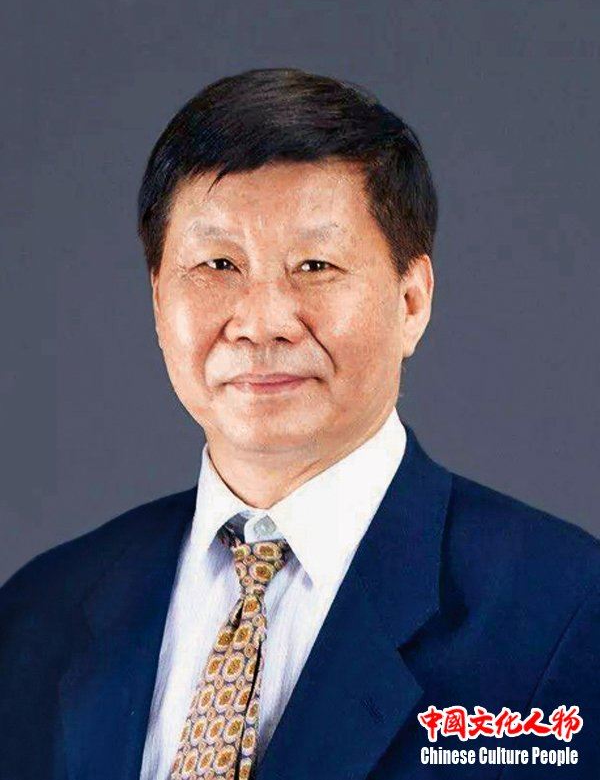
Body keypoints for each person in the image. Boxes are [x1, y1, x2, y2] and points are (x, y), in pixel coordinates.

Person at [1, 68, 599, 780]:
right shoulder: (38, 613)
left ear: (411, 300)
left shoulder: (568, 611)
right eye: (218, 264)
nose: (261, 322)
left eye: (314, 265)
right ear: (158, 298)